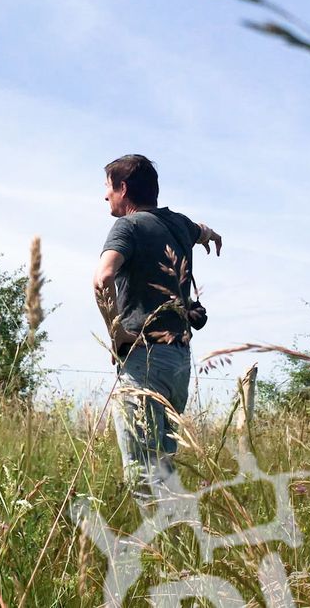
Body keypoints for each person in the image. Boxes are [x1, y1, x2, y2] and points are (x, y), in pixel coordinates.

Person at [93, 154, 222, 494]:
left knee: (142, 472)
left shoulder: (127, 226)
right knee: (163, 464)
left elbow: (102, 278)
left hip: (144, 358)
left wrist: (116, 332)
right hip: (180, 362)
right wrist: (210, 234)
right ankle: (173, 534)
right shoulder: (179, 223)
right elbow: (201, 230)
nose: (105, 196)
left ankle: (153, 541)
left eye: (107, 187)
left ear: (123, 188)